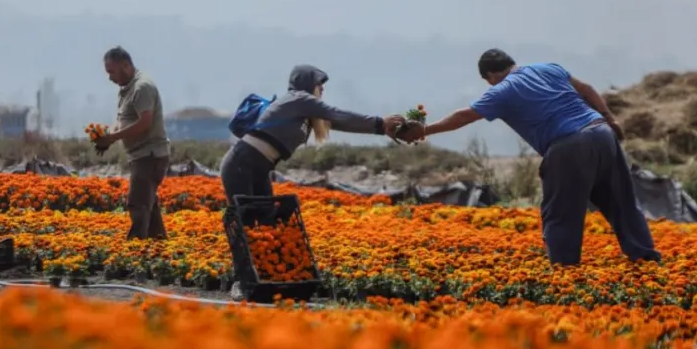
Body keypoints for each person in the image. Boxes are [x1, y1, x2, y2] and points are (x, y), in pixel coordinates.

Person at [398, 48, 661, 266]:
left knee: (561, 213)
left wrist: (425, 130)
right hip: (602, 133)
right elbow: (587, 89)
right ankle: (647, 261)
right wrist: (610, 119)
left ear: (490, 76)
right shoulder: (548, 68)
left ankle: (564, 273)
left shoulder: (502, 90)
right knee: (621, 202)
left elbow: (464, 115)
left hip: (568, 146)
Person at [220, 64, 407, 204]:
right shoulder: (300, 98)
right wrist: (380, 122)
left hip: (259, 168)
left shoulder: (305, 112)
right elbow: (337, 114)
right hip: (241, 164)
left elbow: (341, 122)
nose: (323, 89)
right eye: (319, 83)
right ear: (307, 83)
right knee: (248, 221)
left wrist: (381, 129)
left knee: (265, 220)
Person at [95, 46, 172, 240]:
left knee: (138, 203)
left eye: (111, 71)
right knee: (149, 205)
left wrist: (113, 137)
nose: (110, 77)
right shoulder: (126, 89)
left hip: (149, 155)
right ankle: (158, 247)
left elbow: (145, 122)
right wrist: (107, 137)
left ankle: (135, 250)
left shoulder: (142, 87)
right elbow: (124, 119)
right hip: (141, 155)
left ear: (126, 65)